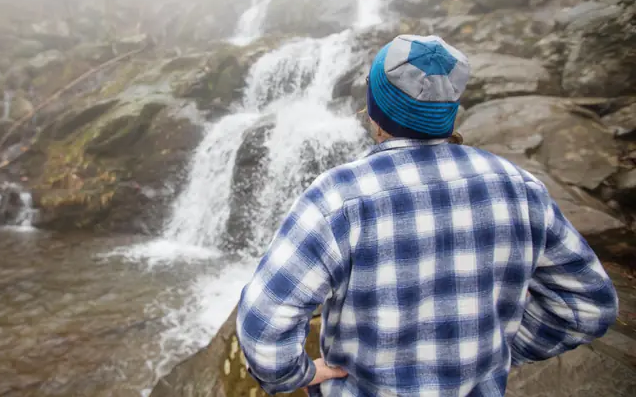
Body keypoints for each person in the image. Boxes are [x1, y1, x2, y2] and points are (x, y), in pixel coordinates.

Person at [235, 35, 619, 396]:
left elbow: (263, 328)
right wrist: (502, 350)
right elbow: (589, 306)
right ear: (449, 109)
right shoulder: (520, 188)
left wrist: (297, 374)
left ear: (375, 107)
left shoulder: (338, 199)